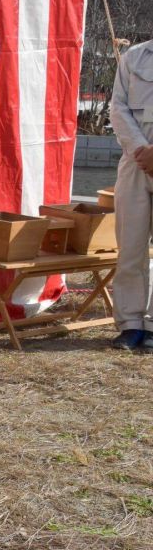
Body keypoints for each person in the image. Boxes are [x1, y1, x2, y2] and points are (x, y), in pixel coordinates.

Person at [108, 38, 153, 351]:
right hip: (136, 160)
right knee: (131, 245)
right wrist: (141, 150)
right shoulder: (134, 57)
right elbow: (118, 107)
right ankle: (130, 323)